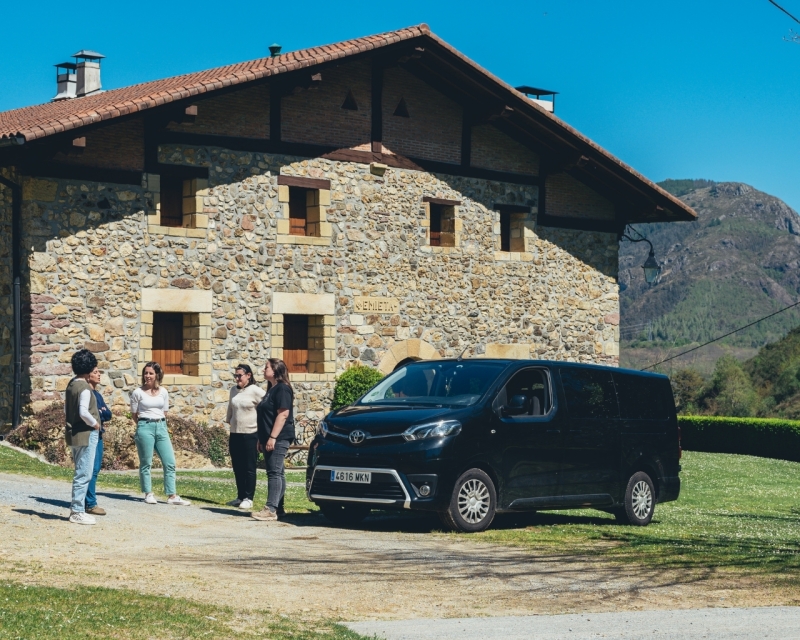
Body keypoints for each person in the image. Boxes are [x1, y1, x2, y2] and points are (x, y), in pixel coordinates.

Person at [130, 362, 191, 506]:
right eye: (146, 373)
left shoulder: (163, 392)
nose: (147, 376)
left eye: (151, 373)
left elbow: (165, 412)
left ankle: (172, 496)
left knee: (170, 462)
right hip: (145, 426)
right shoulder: (137, 393)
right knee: (146, 463)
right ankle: (148, 493)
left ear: (157, 374)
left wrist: (159, 424)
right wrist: (143, 425)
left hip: (161, 426)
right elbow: (134, 415)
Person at [252, 358, 295, 521]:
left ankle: (270, 509)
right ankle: (279, 508)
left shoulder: (282, 389)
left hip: (279, 436)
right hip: (268, 437)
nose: (264, 370)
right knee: (279, 472)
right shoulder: (272, 389)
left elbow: (283, 414)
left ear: (276, 370)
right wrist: (261, 438)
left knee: (274, 472)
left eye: (266, 368)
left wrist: (272, 437)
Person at [65, 349, 102, 525]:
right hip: (86, 435)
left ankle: (77, 509)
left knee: (81, 472)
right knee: (84, 473)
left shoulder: (71, 385)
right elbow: (83, 412)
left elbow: (68, 411)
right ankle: (77, 511)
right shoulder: (85, 388)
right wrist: (95, 424)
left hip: (73, 434)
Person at [225, 364, 265, 510]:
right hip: (235, 433)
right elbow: (231, 407)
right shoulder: (233, 390)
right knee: (238, 466)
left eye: (239, 376)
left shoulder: (255, 391)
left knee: (249, 467)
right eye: (235, 376)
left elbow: (267, 406)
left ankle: (249, 497)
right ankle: (240, 496)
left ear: (248, 375)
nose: (237, 379)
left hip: (251, 434)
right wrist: (229, 419)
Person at [84, 375, 113, 516]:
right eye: (96, 372)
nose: (99, 374)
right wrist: (99, 412)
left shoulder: (98, 395)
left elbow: (108, 414)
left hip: (99, 434)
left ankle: (87, 501)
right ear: (89, 376)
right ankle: (90, 503)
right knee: (90, 469)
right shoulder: (86, 393)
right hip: (90, 434)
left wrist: (101, 412)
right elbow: (90, 414)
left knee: (95, 469)